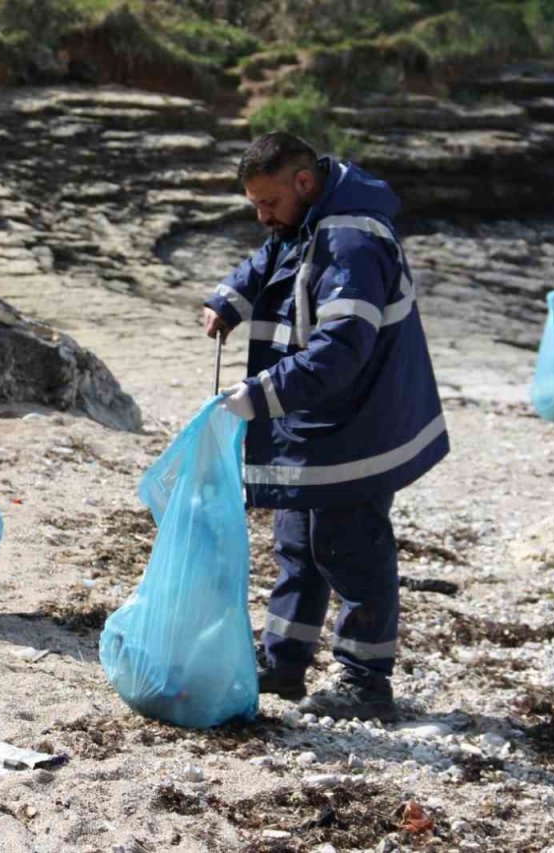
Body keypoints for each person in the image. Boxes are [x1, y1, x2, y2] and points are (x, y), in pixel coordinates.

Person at [202, 132, 449, 721]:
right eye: (254, 204)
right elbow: (272, 255)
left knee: (350, 548)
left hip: (356, 424)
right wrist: (230, 298)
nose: (262, 216)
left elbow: (341, 349)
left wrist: (259, 395)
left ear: (304, 182)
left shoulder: (352, 241)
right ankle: (282, 663)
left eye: (268, 202)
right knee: (296, 545)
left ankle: (366, 683)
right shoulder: (307, 218)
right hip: (313, 421)